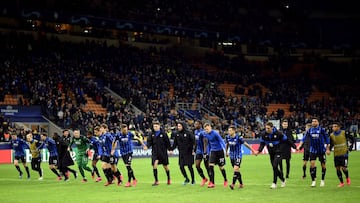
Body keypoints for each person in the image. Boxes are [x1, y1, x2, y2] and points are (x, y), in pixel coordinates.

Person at [255, 122, 296, 189]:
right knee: (275, 167)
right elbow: (262, 144)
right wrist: (258, 151)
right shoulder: (263, 134)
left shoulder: (279, 133)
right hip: (271, 153)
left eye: (268, 128)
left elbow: (287, 140)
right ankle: (282, 179)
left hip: (279, 152)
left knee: (275, 165)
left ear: (272, 127)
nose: (266, 129)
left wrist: (294, 146)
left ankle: (274, 183)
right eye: (266, 128)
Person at [297, 117, 330, 187]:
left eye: (315, 121)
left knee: (323, 165)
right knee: (312, 164)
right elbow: (304, 138)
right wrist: (299, 145)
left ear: (318, 122)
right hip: (313, 150)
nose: (314, 122)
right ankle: (313, 181)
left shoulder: (322, 130)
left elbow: (327, 139)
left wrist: (327, 148)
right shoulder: (309, 130)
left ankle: (322, 180)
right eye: (313, 121)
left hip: (321, 150)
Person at [225, 125, 256, 189]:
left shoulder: (238, 137)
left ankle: (233, 184)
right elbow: (227, 144)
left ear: (234, 131)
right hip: (231, 156)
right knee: (237, 171)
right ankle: (241, 184)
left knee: (235, 169)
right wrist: (226, 152)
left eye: (230, 131)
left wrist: (253, 150)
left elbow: (246, 144)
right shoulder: (227, 137)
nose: (229, 132)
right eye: (228, 131)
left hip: (238, 155)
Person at [329, 122, 355, 187]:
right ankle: (341, 183)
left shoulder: (344, 132)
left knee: (344, 168)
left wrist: (351, 146)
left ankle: (347, 178)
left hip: (344, 153)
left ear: (338, 127)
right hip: (336, 154)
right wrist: (328, 150)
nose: (333, 128)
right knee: (337, 168)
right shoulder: (331, 135)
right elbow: (331, 144)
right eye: (333, 126)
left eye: (335, 126)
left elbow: (352, 139)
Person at [146, 121, 171, 186]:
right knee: (154, 165)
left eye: (156, 126)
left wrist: (170, 149)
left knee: (165, 167)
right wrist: (147, 146)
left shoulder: (164, 134)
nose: (155, 127)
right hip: (155, 152)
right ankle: (156, 181)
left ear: (159, 126)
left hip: (163, 152)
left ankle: (168, 179)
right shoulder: (151, 134)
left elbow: (167, 142)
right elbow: (149, 142)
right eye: (154, 126)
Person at [203, 122, 227, 188]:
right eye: (205, 129)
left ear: (210, 127)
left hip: (220, 152)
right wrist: (207, 152)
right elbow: (208, 143)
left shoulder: (215, 133)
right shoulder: (205, 134)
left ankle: (225, 180)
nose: (206, 130)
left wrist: (226, 150)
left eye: (207, 129)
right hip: (213, 151)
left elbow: (221, 141)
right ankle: (212, 183)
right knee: (210, 166)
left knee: (221, 167)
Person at [194, 120, 210, 186]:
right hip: (198, 150)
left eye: (197, 124)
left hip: (205, 151)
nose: (195, 125)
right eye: (195, 124)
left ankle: (211, 180)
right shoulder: (195, 132)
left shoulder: (203, 132)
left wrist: (205, 152)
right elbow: (196, 142)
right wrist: (194, 149)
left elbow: (205, 142)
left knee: (207, 166)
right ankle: (204, 178)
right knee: (197, 165)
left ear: (200, 125)